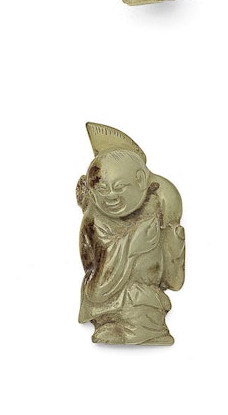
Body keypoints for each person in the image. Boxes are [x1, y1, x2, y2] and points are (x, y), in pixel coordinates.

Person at [77, 139, 186, 344]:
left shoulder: (153, 207)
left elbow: (171, 275)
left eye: (119, 187)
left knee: (144, 311)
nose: (111, 196)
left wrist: (173, 241)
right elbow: (99, 270)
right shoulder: (95, 219)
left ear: (140, 181)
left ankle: (141, 328)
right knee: (126, 312)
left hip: (145, 295)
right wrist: (133, 244)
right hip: (108, 294)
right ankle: (113, 324)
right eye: (102, 189)